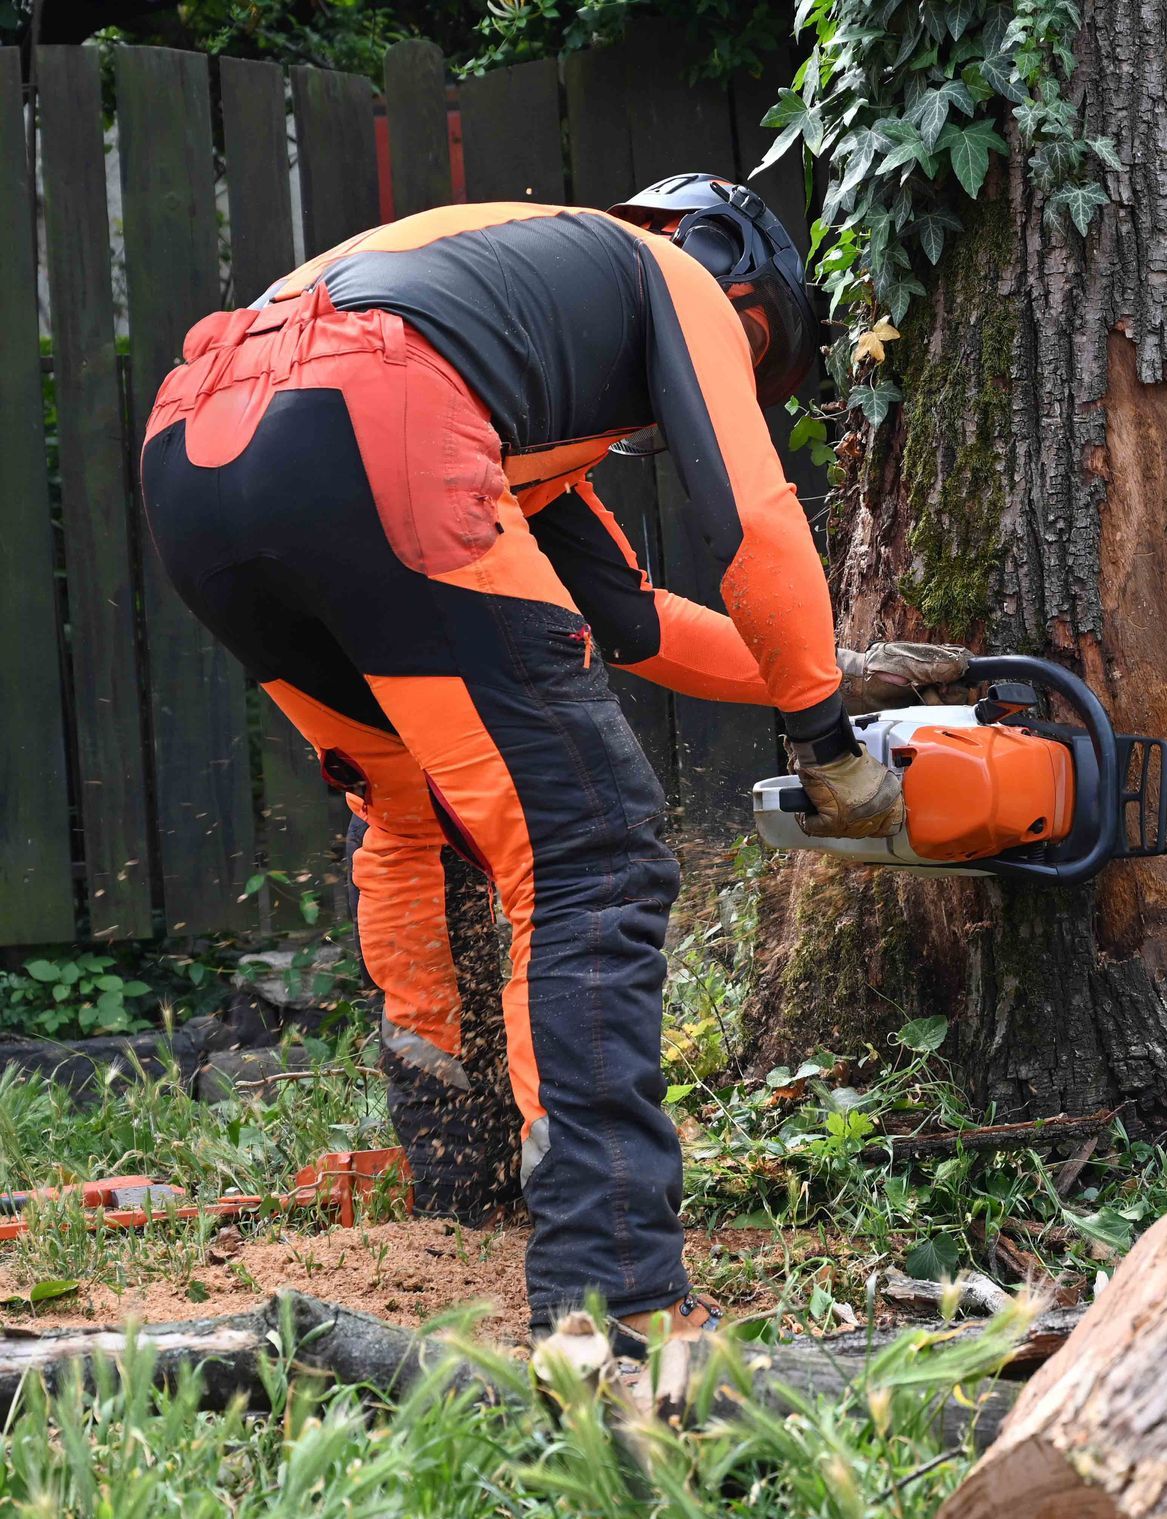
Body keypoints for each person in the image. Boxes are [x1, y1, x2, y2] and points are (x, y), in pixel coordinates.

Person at [138, 174, 966, 1349]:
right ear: (738, 285)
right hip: (382, 416)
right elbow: (754, 519)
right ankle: (618, 1295)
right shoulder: (666, 272)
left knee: (417, 815)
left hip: (199, 456)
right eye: (755, 349)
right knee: (594, 853)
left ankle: (461, 1178)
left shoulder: (509, 334)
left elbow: (634, 622)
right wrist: (827, 743)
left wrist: (831, 668)